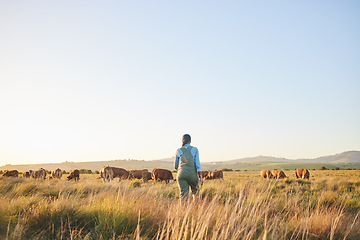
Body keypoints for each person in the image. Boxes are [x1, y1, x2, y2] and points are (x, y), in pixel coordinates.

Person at [175, 134, 203, 202]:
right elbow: (198, 165)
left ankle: (183, 211)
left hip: (181, 174)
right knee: (196, 192)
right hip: (192, 174)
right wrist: (201, 177)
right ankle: (195, 210)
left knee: (183, 195)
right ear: (190, 141)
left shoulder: (178, 150)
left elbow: (175, 166)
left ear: (182, 140)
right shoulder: (195, 149)